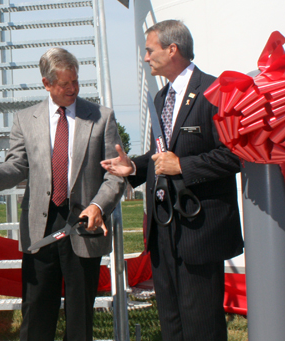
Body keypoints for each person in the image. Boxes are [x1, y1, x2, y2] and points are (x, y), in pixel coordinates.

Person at [101, 20, 243, 341]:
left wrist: (184, 166)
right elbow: (161, 158)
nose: (146, 57)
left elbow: (235, 155)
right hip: (163, 232)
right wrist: (133, 169)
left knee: (202, 325)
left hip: (200, 232)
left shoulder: (214, 92)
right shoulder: (161, 98)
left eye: (150, 50)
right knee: (172, 323)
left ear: (172, 49)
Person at [0, 47, 125, 341]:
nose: (72, 89)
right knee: (35, 313)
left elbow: (115, 173)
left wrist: (99, 206)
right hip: (40, 228)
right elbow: (18, 166)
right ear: (46, 83)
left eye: (76, 82)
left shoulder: (101, 118)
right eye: (64, 84)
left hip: (84, 225)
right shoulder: (24, 119)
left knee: (81, 316)